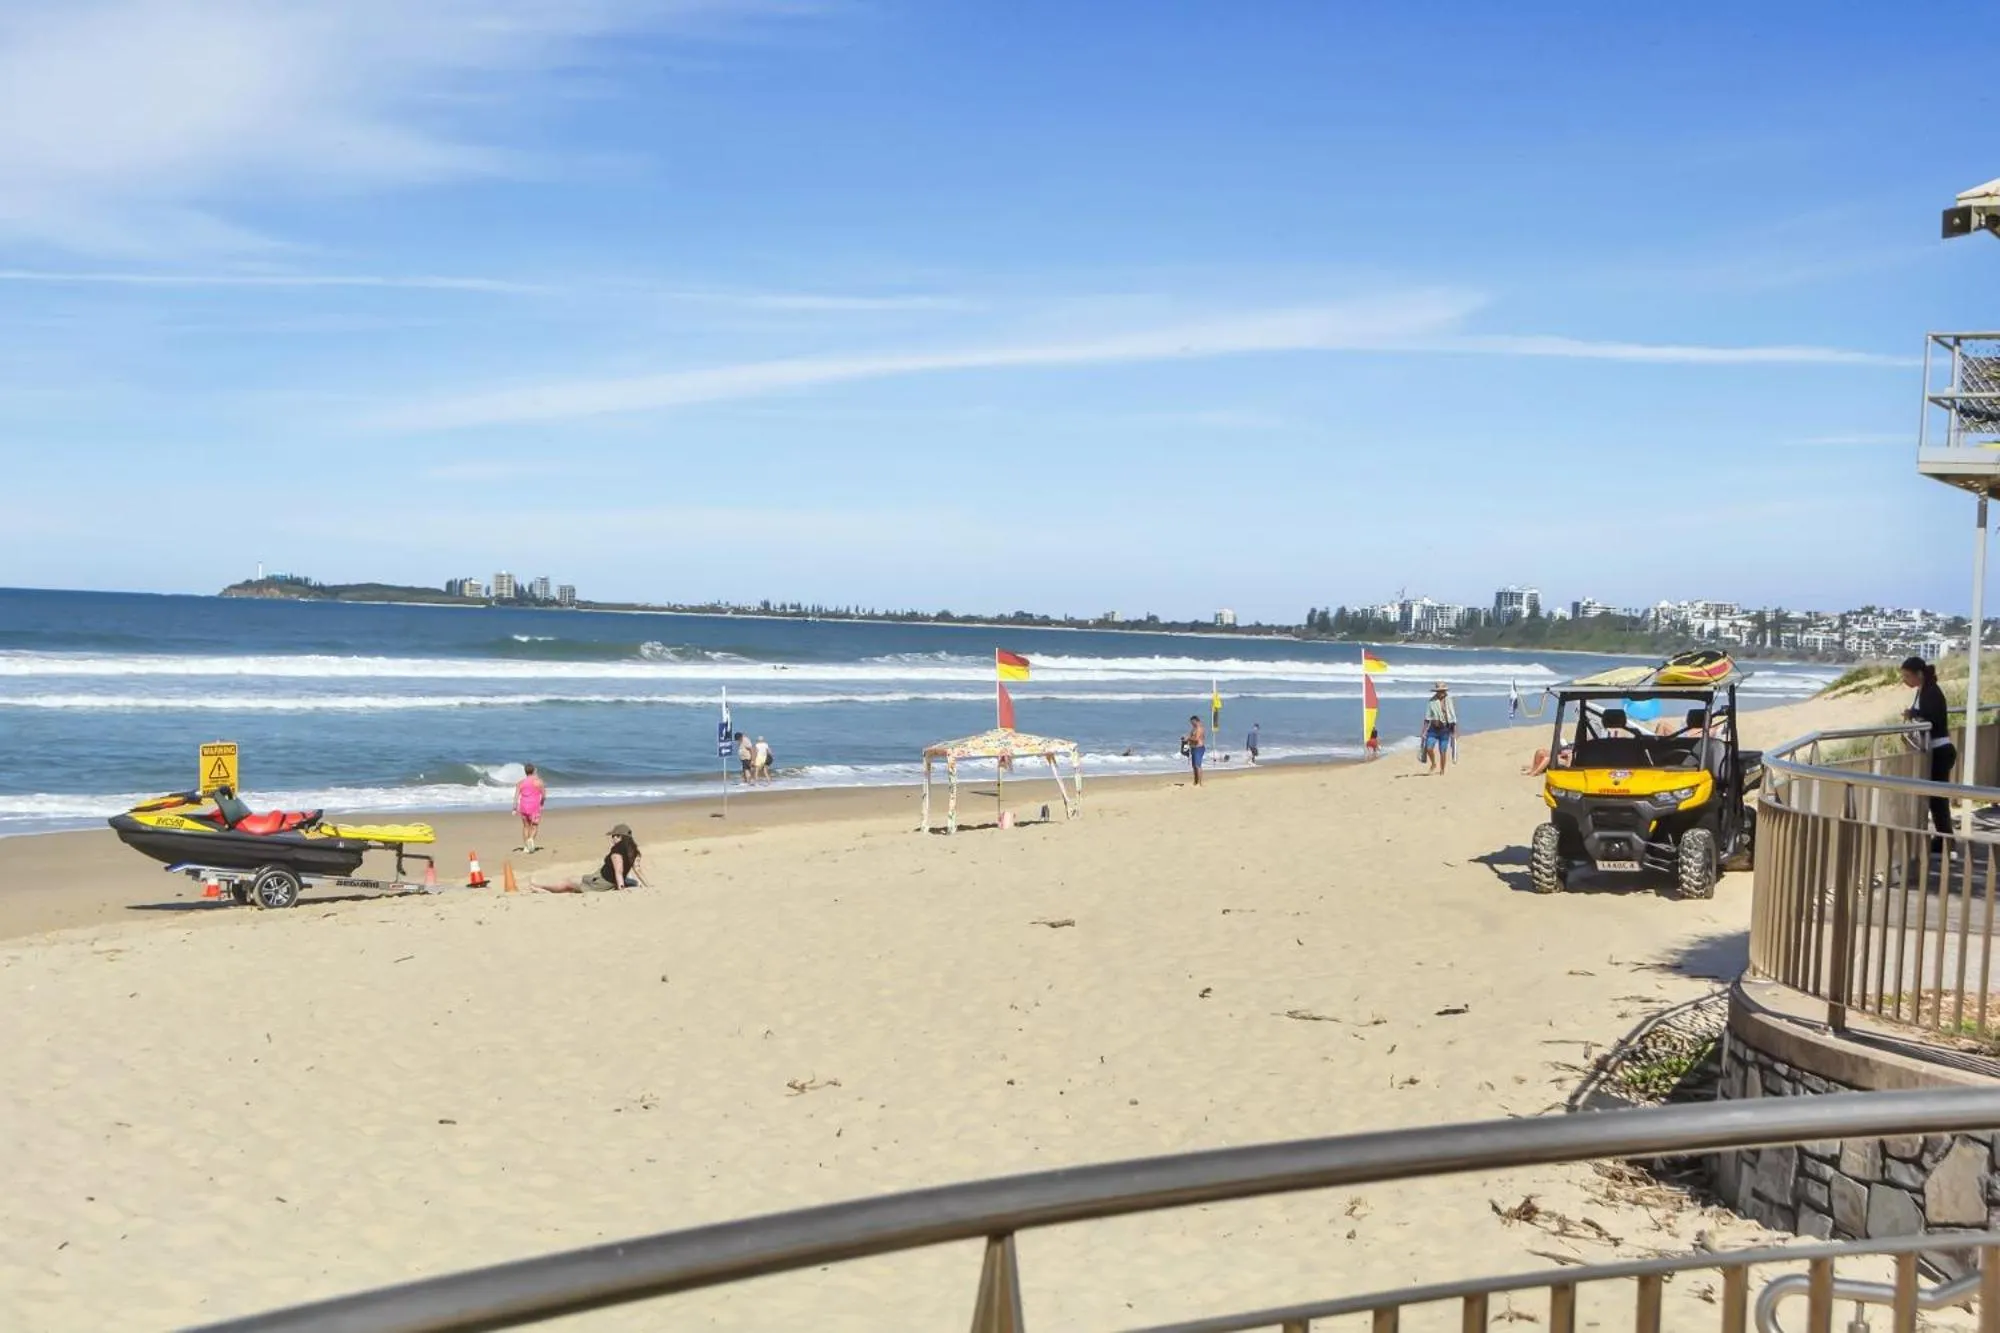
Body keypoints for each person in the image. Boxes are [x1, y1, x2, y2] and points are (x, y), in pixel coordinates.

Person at [1902, 655, 1955, 852]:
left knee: (1937, 798)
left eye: (1907, 676)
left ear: (1919, 674)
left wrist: (1913, 714)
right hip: (1934, 749)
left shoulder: (1931, 692)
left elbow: (1933, 719)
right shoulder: (1923, 690)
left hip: (1940, 750)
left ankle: (1945, 840)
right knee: (1936, 798)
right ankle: (1943, 839)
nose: (1905, 680)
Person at [1423, 683, 1457, 775]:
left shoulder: (1449, 701)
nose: (1441, 693)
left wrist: (1454, 731)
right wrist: (1423, 732)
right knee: (1429, 748)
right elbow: (1427, 717)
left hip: (1445, 729)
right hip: (1433, 729)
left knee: (1443, 751)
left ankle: (1442, 770)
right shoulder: (1431, 702)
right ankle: (1433, 763)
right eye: (1439, 691)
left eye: (1443, 691)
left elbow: (1453, 717)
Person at [513, 763, 546, 853]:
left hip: (523, 806)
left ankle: (526, 847)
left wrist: (514, 808)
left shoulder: (520, 783)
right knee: (534, 826)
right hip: (534, 807)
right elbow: (543, 796)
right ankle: (531, 839)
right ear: (534, 771)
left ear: (525, 772)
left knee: (525, 827)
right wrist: (542, 803)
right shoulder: (539, 782)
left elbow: (516, 797)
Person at [1184, 714, 1206, 785]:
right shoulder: (1194, 728)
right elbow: (1191, 736)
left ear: (1195, 721)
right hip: (1193, 748)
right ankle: (1195, 782)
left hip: (1198, 748)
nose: (1191, 724)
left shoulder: (1199, 728)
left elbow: (1196, 739)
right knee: (1194, 766)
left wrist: (1188, 738)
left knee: (1197, 766)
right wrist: (1186, 739)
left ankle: (1199, 783)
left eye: (1192, 722)